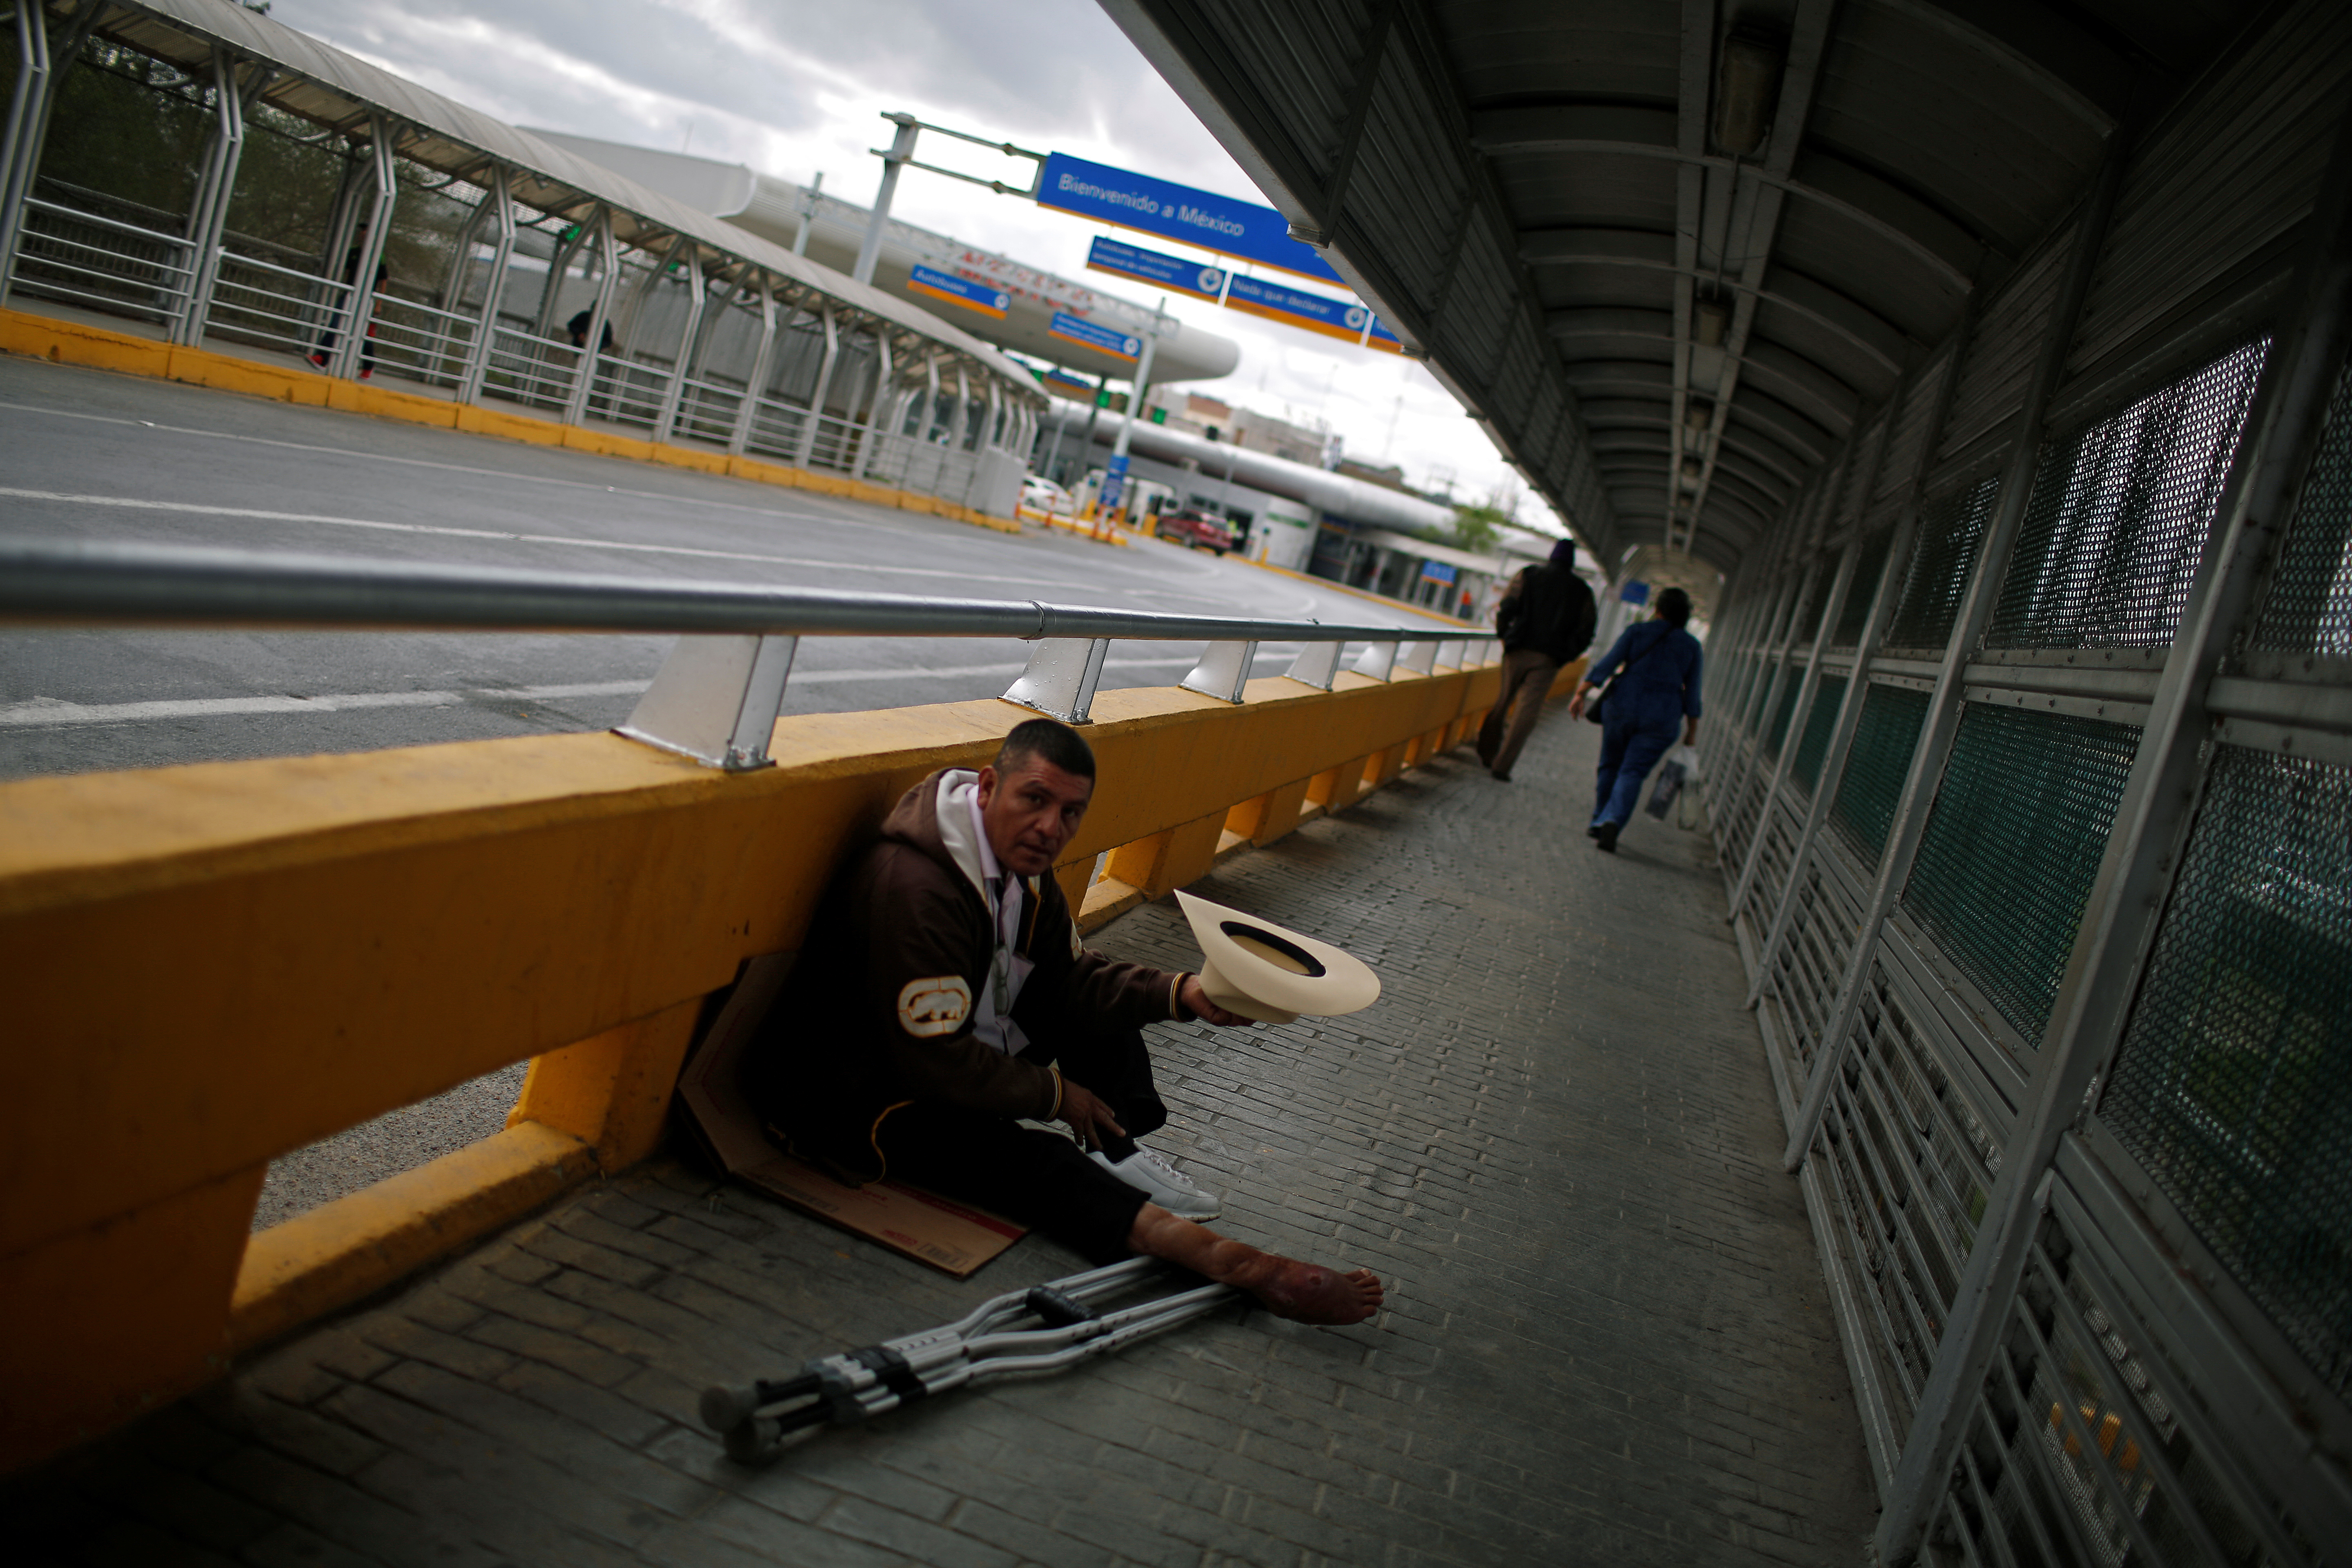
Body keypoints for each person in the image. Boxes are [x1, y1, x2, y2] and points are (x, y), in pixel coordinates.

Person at [745, 718, 1385, 1326]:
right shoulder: (916, 889)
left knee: (1103, 1017)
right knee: (1036, 1163)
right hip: (863, 1093)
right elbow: (932, 1058)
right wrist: (1056, 1096)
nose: (1051, 827)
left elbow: (1068, 979)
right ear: (989, 787)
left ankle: (1118, 1150)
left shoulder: (1024, 868)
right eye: (1035, 800)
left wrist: (1182, 993)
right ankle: (1242, 1267)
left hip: (960, 1036)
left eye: (1070, 813)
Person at [1570, 586, 1704, 853]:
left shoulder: (1638, 631)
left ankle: (1599, 818)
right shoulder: (1692, 646)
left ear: (1658, 610)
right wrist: (1691, 733)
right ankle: (1613, 821)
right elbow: (1693, 692)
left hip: (1622, 707)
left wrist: (1581, 693)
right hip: (1662, 717)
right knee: (1632, 772)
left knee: (1610, 765)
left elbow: (1608, 664)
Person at [1476, 538, 1598, 782]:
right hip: (1548, 658)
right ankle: (1502, 766)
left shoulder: (1529, 575)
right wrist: (1566, 656)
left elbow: (1507, 605)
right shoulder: (1582, 590)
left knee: (1503, 701)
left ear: (1552, 555)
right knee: (1527, 712)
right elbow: (1587, 630)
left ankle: (1488, 752)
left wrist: (1504, 635)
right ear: (1572, 561)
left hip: (1517, 648)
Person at [309, 227, 389, 379]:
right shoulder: (353, 252)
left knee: (364, 333)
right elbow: (345, 272)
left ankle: (368, 366)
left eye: (368, 231)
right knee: (335, 324)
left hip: (366, 299)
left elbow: (383, 280)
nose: (364, 233)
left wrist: (378, 303)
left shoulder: (378, 256)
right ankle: (322, 358)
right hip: (349, 295)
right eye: (363, 231)